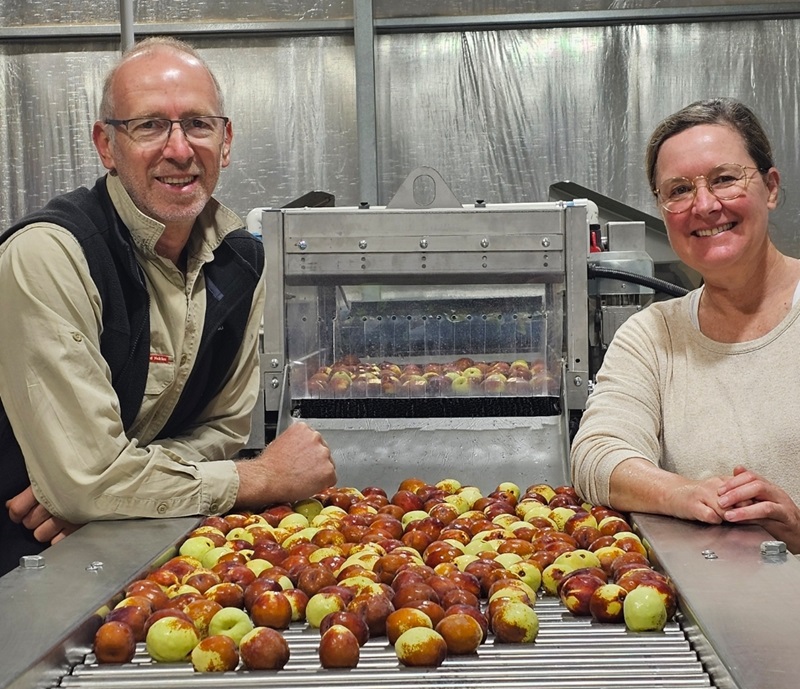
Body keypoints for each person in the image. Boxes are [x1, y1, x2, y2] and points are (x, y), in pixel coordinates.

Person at [0, 37, 336, 576]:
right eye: (150, 125)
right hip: (20, 574)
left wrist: (107, 495)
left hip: (121, 558)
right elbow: (88, 481)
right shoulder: (52, 256)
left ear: (225, 142)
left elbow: (223, 431)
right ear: (106, 145)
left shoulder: (241, 263)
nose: (179, 150)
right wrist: (265, 477)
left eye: (199, 125)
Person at [571, 97, 800, 552]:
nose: (705, 205)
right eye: (678, 190)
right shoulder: (653, 336)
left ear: (770, 187)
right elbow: (597, 453)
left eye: (725, 179)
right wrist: (684, 492)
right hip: (706, 615)